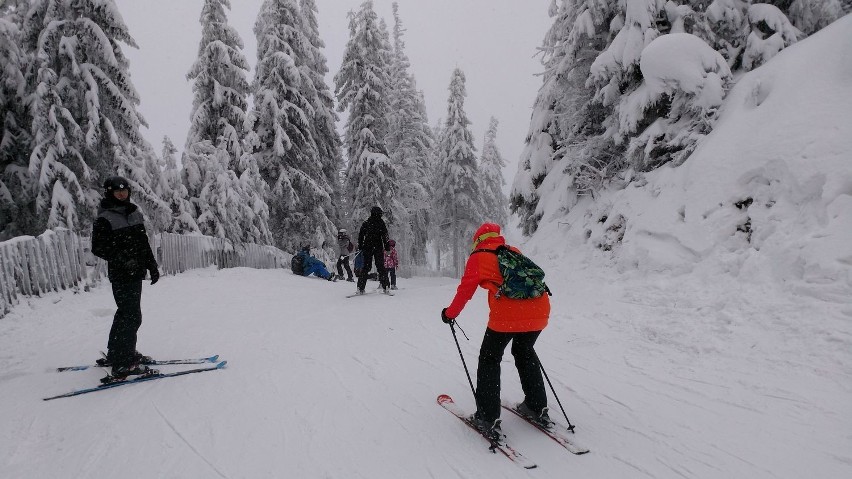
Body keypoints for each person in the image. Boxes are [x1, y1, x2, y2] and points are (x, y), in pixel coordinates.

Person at [440, 222, 551, 439]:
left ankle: (487, 417)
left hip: (507, 316)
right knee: (524, 352)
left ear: (478, 239)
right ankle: (537, 406)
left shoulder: (478, 257)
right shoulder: (513, 252)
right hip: (540, 309)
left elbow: (464, 292)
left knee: (489, 359)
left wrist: (449, 314)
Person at [91, 176, 160, 379]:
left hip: (136, 272)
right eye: (117, 191)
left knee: (126, 313)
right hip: (121, 274)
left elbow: (142, 242)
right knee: (131, 316)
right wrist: (123, 259)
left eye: (125, 190)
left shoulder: (133, 213)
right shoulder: (105, 218)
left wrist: (152, 265)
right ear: (109, 193)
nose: (122, 193)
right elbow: (98, 247)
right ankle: (124, 363)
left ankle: (117, 353)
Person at [356, 206, 390, 294]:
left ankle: (360, 288)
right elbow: (385, 237)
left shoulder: (367, 223)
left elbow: (360, 235)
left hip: (368, 247)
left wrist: (360, 246)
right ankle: (386, 286)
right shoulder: (381, 223)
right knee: (380, 266)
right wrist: (387, 247)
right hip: (378, 247)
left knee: (366, 267)